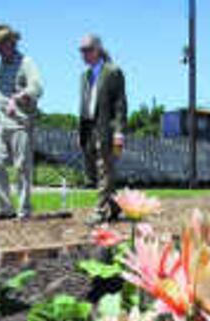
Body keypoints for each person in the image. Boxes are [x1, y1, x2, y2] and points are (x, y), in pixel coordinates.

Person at [0, 24, 43, 220]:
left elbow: (37, 88)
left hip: (21, 122)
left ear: (11, 43)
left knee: (22, 168)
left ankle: (24, 210)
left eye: (0, 44)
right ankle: (5, 208)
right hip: (1, 121)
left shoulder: (26, 62)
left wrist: (17, 98)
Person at [78, 34, 127, 224]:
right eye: (81, 51)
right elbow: (84, 105)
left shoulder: (113, 72)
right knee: (96, 172)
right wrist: (80, 131)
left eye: (88, 49)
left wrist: (119, 132)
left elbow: (120, 105)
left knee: (105, 169)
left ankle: (99, 211)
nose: (84, 54)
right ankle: (115, 205)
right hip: (89, 128)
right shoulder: (85, 76)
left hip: (107, 129)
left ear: (98, 49)